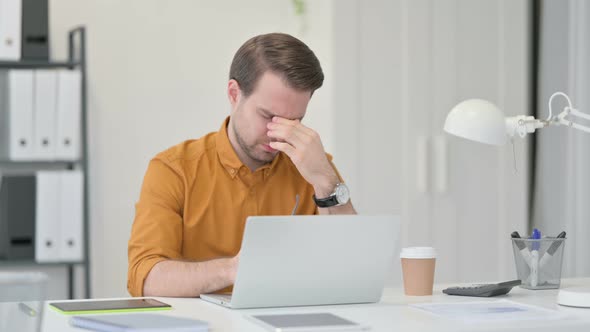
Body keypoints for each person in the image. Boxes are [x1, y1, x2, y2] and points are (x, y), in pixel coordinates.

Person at [127, 32, 356, 297]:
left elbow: (352, 272)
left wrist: (326, 181)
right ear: (234, 94)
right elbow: (146, 278)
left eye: (294, 121)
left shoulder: (312, 166)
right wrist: (232, 270)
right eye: (268, 116)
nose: (278, 133)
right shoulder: (173, 170)